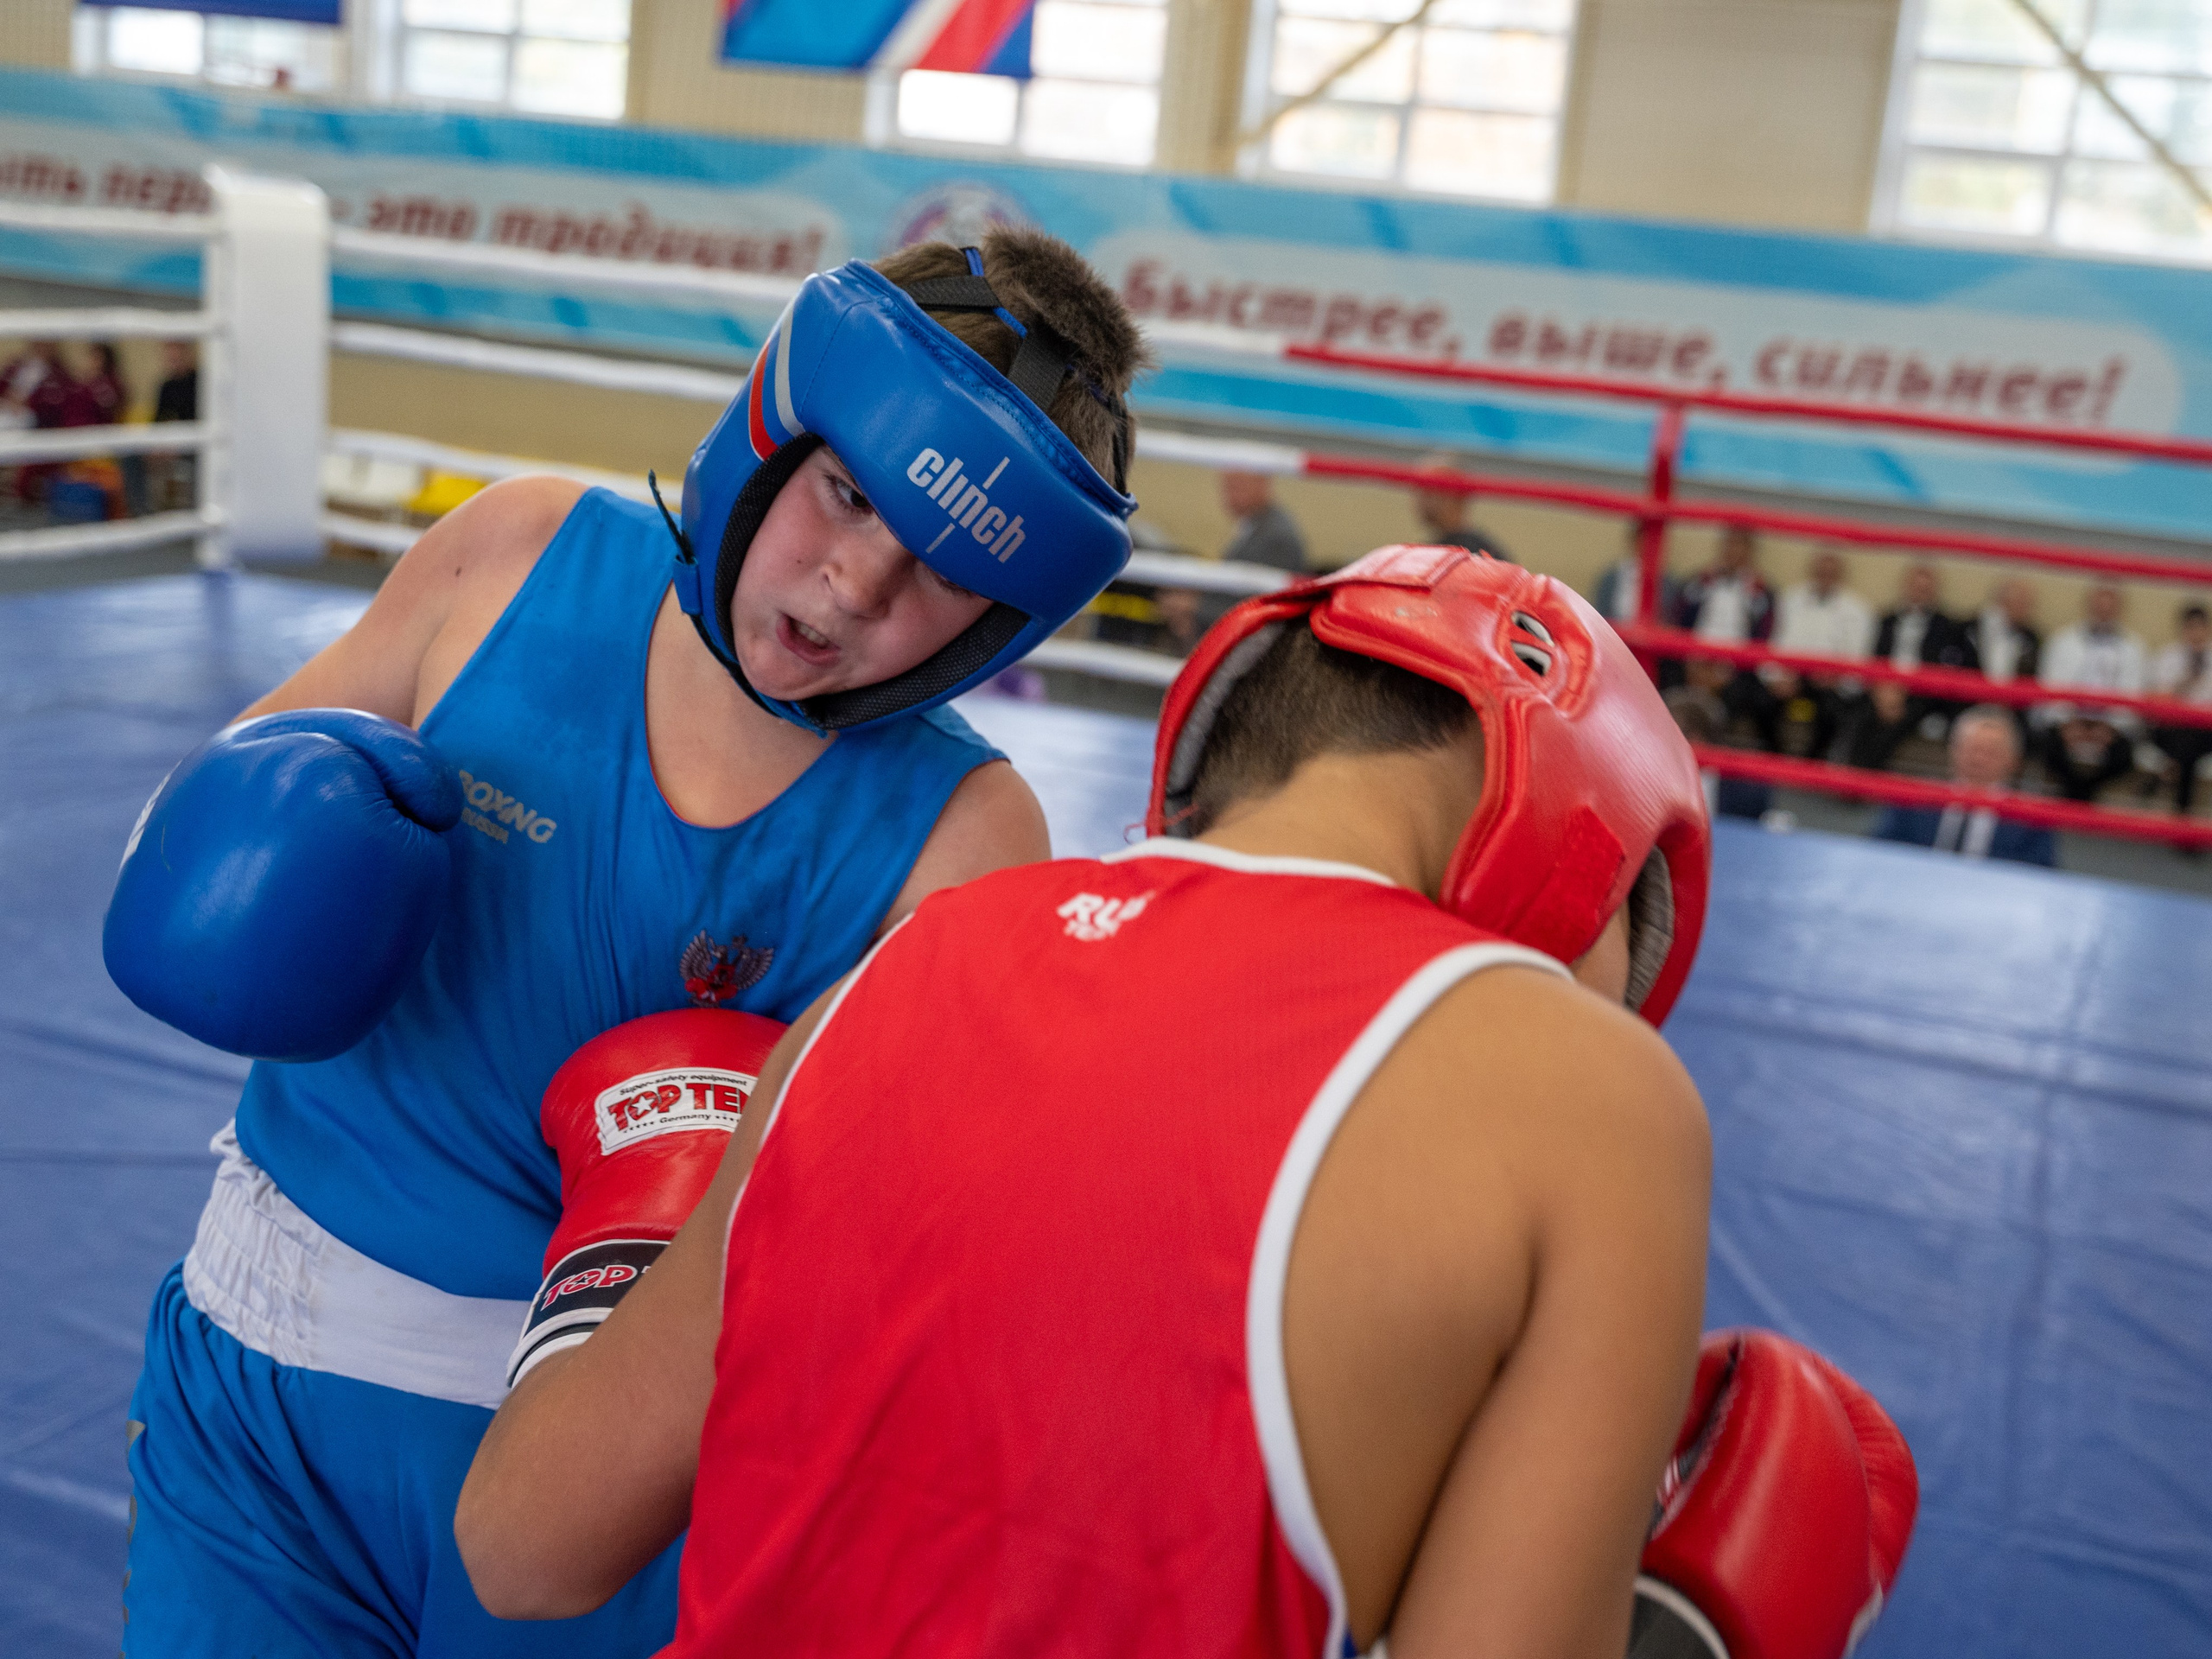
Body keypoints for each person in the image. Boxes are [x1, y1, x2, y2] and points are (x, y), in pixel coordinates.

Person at [459, 547, 1916, 1659]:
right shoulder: (1589, 1097)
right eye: (1624, 940)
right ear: (1575, 845)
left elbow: (524, 1546)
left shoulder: (891, 978)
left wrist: (635, 1235)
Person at [105, 230, 1147, 1659]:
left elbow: (915, 1286)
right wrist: (259, 842)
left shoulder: (964, 841)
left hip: (607, 1507)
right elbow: (199, 830)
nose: (854, 589)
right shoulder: (511, 557)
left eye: (941, 573)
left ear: (999, 622)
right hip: (263, 1413)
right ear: (776, 433)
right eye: (847, 495)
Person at [1872, 704, 2058, 867]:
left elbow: (2038, 877)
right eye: (1972, 748)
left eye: (1991, 751)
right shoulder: (1913, 800)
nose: (1979, 758)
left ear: (2013, 760)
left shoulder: (2032, 819)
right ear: (1953, 750)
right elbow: (1879, 854)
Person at [1752, 547, 1874, 758]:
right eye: (1821, 571)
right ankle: (1775, 756)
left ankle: (1813, 762)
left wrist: (1837, 677)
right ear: (1812, 571)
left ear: (1840, 576)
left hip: (1830, 682)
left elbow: (1859, 659)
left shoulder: (1857, 609)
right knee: (1760, 701)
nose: (1825, 577)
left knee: (1832, 712)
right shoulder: (1790, 599)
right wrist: (1776, 677)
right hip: (1790, 675)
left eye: (1831, 573)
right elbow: (1772, 642)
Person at [2035, 582, 2148, 803]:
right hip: (2068, 722)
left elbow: (2134, 694)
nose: (2104, 611)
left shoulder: (2134, 647)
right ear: (2089, 605)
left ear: (2119, 609)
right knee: (2049, 750)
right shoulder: (2063, 641)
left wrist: (2110, 728)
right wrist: (2067, 725)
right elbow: (2050, 686)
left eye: (2109, 606)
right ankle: (2081, 805)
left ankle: (2077, 802)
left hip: (2110, 727)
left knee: (2123, 757)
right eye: (2099, 605)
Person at [2149, 601, 2212, 822]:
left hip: (2205, 733)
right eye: (2190, 627)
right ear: (2183, 629)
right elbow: (2157, 704)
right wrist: (2186, 680)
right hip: (2171, 729)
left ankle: (2169, 772)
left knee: (2189, 746)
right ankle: (2183, 819)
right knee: (2186, 747)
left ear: (2207, 629)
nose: (2195, 633)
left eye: (2200, 627)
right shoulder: (2168, 656)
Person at [1674, 525, 1773, 644]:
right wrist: (1705, 580)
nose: (1735, 550)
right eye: (1730, 543)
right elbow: (1681, 611)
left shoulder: (1761, 588)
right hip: (1698, 648)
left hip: (1736, 653)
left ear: (1750, 551)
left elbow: (1763, 625)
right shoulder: (1702, 578)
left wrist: (1755, 588)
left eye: (1741, 545)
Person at [1410, 451, 1512, 561]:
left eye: (1430, 490)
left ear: (1459, 496)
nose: (1421, 500)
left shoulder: (1480, 554)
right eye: (1420, 491)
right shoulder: (1430, 551)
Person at [1217, 467, 1309, 572]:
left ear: (1262, 484)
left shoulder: (1277, 538)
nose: (1229, 495)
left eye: (1236, 486)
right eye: (1226, 487)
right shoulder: (1255, 525)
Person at [1966, 576, 2041, 684]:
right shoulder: (1970, 629)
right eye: (2021, 601)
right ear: (2002, 600)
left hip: (2008, 698)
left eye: (2028, 603)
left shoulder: (2030, 637)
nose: (2026, 609)